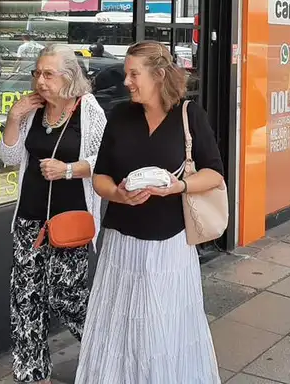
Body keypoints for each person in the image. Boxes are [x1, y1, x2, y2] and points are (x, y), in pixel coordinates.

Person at [76, 41, 224, 383]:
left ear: (158, 75)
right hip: (122, 242)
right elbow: (100, 177)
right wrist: (118, 194)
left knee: (162, 325)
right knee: (120, 325)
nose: (126, 81)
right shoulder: (120, 115)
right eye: (127, 74)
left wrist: (179, 186)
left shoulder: (189, 114)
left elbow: (214, 173)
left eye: (134, 74)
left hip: (169, 245)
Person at [0, 44, 107, 384]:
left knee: (67, 296)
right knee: (26, 298)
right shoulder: (33, 110)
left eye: (48, 74)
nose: (40, 81)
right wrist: (14, 117)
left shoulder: (88, 110)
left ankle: (107, 356)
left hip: (69, 219)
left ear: (69, 76)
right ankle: (33, 374)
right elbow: (11, 157)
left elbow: (105, 162)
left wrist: (68, 170)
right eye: (37, 73)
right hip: (29, 219)